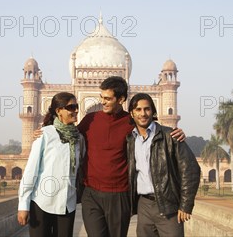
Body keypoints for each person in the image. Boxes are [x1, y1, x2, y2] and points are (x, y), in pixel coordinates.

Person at [33, 76, 185, 237]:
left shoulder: (130, 122)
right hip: (91, 194)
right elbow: (68, 134)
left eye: (108, 98)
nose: (103, 102)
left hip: (119, 194)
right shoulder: (91, 119)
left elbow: (153, 132)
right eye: (101, 97)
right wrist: (46, 131)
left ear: (121, 99)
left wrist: (175, 133)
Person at [127, 93, 201, 237]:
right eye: (138, 109)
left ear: (153, 111)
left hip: (168, 205)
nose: (143, 114)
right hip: (144, 205)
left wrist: (185, 205)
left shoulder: (170, 136)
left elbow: (191, 170)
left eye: (147, 109)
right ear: (132, 113)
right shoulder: (130, 139)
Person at [18, 92, 84, 237]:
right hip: (42, 202)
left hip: (68, 203)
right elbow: (31, 170)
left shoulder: (78, 138)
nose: (76, 111)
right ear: (58, 111)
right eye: (71, 107)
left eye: (76, 106)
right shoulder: (45, 134)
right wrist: (23, 204)